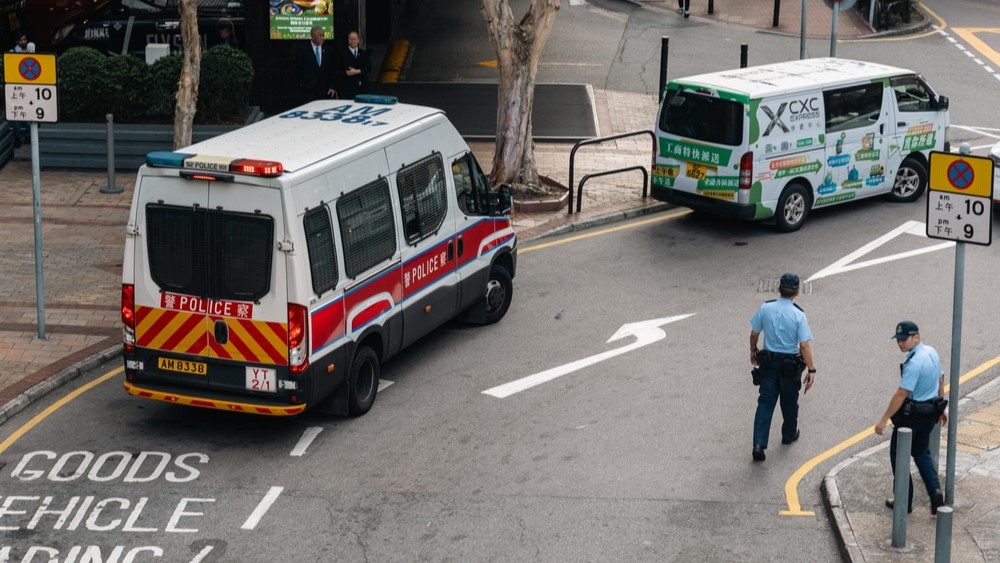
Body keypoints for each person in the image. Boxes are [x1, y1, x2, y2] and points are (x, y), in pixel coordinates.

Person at [874, 321, 947, 515]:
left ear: (917, 337)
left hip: (912, 416)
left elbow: (901, 394)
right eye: (898, 340)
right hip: (930, 413)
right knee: (922, 451)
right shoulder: (931, 352)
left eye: (904, 339)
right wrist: (940, 408)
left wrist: (883, 420)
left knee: (899, 456)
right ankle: (935, 492)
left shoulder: (914, 362)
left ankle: (903, 502)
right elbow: (940, 380)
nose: (900, 343)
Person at [749, 273, 816, 462]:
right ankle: (788, 434)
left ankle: (758, 444)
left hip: (768, 364)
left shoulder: (765, 308)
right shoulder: (798, 315)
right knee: (789, 401)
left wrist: (753, 351)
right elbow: (804, 346)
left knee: (765, 403)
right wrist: (811, 369)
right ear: (797, 292)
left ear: (778, 289)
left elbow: (754, 333)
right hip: (789, 366)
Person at [296, 26, 337, 105]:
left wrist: (332, 87)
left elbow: (332, 69)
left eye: (323, 35)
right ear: (312, 37)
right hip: (308, 91)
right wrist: (303, 86)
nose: (322, 38)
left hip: (325, 91)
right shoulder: (303, 49)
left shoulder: (328, 49)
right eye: (319, 36)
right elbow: (298, 69)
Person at [9, 32, 35, 148]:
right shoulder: (12, 52)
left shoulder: (30, 50)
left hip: (27, 87)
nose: (23, 42)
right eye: (21, 40)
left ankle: (29, 137)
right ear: (17, 41)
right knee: (16, 113)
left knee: (28, 111)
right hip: (15, 87)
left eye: (25, 39)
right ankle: (18, 138)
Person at [337, 30, 371, 100]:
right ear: (348, 40)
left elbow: (369, 67)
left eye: (355, 39)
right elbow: (343, 70)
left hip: (363, 88)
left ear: (358, 40)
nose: (353, 41)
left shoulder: (364, 53)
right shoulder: (342, 53)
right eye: (350, 39)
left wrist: (357, 71)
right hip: (348, 88)